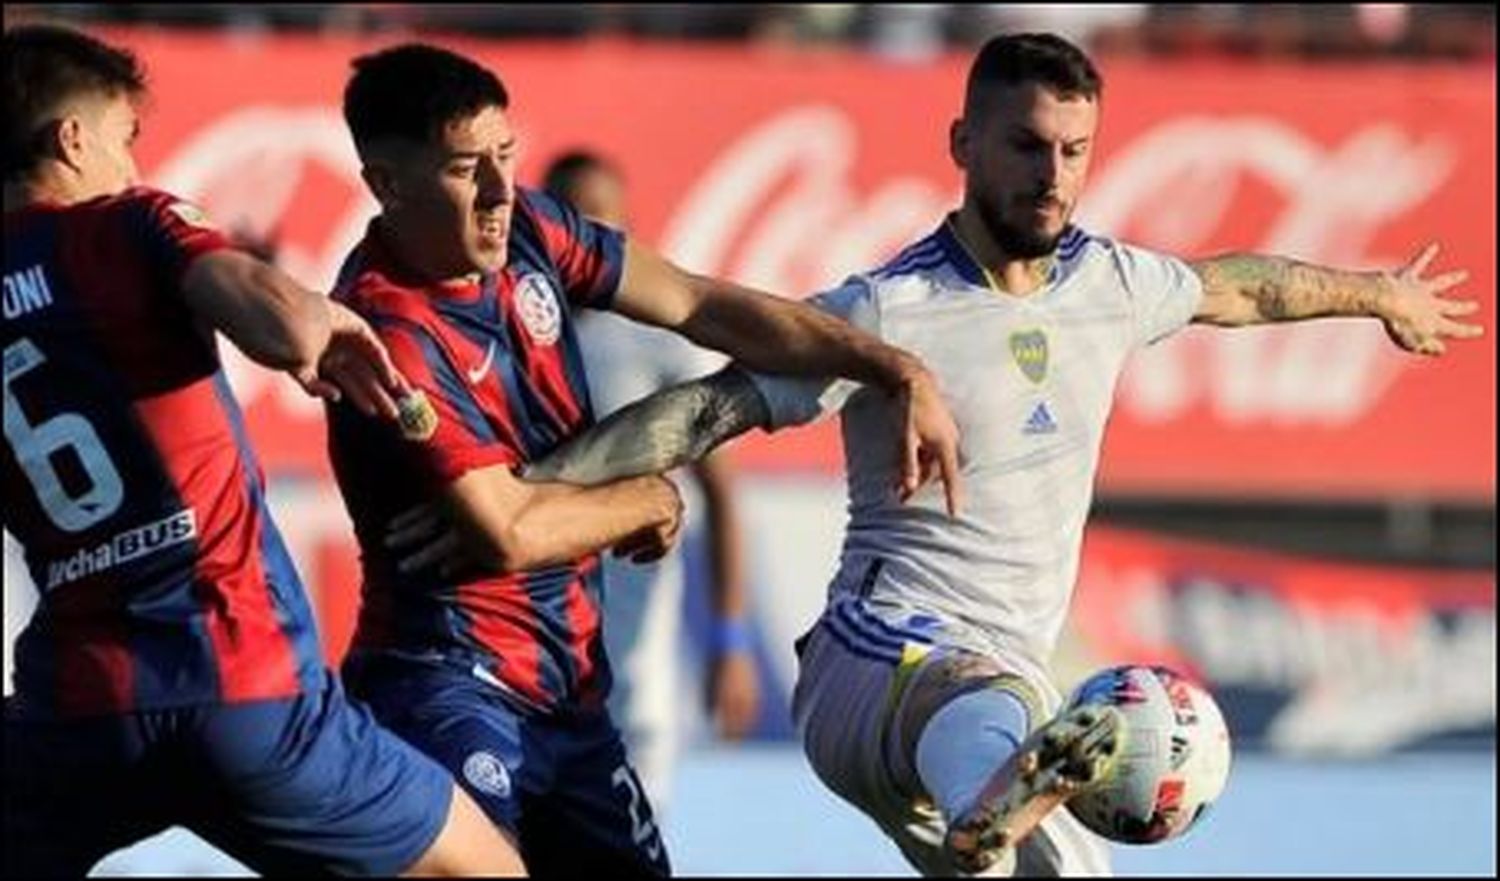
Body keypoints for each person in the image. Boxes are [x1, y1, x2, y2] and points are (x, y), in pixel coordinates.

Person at [508, 31, 1484, 876]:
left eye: (1074, 151)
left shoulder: (1113, 280)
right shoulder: (887, 310)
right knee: (1005, 713)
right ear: (963, 144)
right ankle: (994, 803)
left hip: (1002, 704)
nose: (1051, 175)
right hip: (875, 664)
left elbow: (1241, 288)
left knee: (1044, 831)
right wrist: (528, 491)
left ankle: (995, 811)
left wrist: (1376, 293)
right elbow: (709, 409)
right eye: (1025, 146)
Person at [323, 43, 962, 876]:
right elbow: (507, 532)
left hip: (572, 693)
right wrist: (648, 498)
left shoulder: (532, 233)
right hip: (446, 689)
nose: (497, 192)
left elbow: (697, 301)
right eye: (463, 168)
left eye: (506, 156)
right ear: (387, 183)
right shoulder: (390, 330)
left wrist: (886, 363)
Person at [1, 25, 524, 877]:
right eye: (125, 139)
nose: (134, 164)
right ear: (72, 139)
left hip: (79, 711)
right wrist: (315, 322)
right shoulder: (133, 222)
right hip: (247, 689)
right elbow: (271, 322)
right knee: (486, 869)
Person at [542, 150, 760, 813]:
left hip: (632, 638)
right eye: (569, 218)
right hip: (529, 617)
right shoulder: (510, 326)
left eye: (600, 220)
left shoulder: (656, 339)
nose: (584, 234)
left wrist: (731, 638)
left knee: (635, 815)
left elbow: (721, 491)